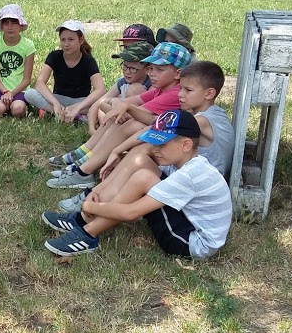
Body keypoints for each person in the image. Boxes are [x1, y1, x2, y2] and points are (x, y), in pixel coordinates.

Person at [42, 110, 232, 259]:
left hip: (191, 242)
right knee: (141, 163)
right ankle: (83, 219)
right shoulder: (186, 161)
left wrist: (91, 205)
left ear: (186, 145)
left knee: (143, 178)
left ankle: (88, 234)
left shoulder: (190, 174)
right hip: (188, 222)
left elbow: (130, 213)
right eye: (155, 143)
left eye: (162, 144)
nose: (155, 149)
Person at [57, 60, 234, 214]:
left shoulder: (201, 120)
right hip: (190, 177)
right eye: (181, 88)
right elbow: (153, 122)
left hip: (197, 189)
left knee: (143, 152)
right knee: (144, 147)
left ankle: (96, 198)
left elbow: (152, 127)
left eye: (188, 90)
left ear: (209, 94)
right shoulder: (208, 113)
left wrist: (118, 150)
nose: (180, 94)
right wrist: (128, 109)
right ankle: (95, 193)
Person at [46, 42, 191, 189]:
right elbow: (118, 103)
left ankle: (84, 169)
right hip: (155, 135)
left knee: (131, 122)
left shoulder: (174, 93)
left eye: (159, 69)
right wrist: (121, 107)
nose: (152, 73)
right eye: (151, 68)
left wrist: (123, 107)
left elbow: (135, 111)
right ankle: (84, 161)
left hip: (169, 143)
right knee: (119, 118)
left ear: (178, 73)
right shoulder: (160, 89)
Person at [24, 20, 105, 122]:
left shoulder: (88, 61)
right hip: (59, 98)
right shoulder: (54, 56)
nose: (66, 44)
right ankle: (63, 114)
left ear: (81, 40)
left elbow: (100, 89)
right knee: (29, 93)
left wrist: (77, 108)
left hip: (80, 101)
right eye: (63, 40)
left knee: (102, 103)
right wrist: (55, 104)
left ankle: (63, 113)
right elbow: (40, 83)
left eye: (71, 39)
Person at [86, 42, 153, 136]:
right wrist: (91, 128)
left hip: (137, 123)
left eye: (133, 68)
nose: (127, 72)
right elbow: (98, 103)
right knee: (105, 104)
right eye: (125, 66)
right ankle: (104, 131)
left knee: (133, 90)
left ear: (147, 69)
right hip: (119, 118)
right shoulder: (122, 82)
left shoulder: (151, 86)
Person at [0, 4, 36, 118]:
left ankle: (21, 106)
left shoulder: (28, 45)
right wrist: (4, 92)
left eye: (14, 22)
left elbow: (27, 79)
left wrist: (11, 94)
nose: (10, 27)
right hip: (0, 89)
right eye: (5, 22)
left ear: (20, 25)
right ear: (1, 26)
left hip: (20, 89)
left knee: (17, 110)